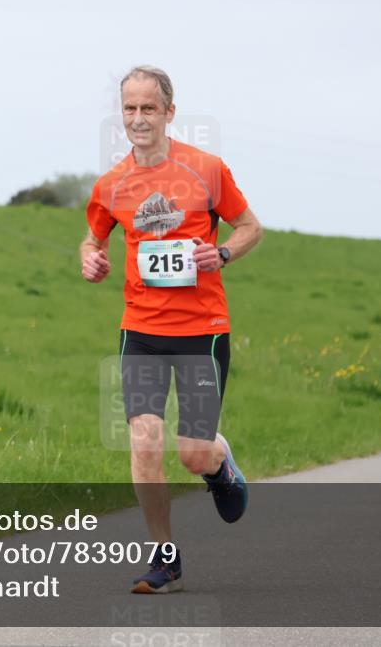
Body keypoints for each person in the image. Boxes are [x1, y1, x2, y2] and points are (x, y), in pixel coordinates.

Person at [80, 66, 262, 593]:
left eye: (148, 108)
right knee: (143, 440)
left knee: (191, 453)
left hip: (202, 330)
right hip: (140, 330)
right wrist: (92, 260)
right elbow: (91, 242)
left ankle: (219, 462)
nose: (138, 118)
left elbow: (251, 226)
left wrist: (222, 252)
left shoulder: (205, 169)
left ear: (169, 112)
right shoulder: (111, 185)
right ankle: (165, 557)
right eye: (130, 109)